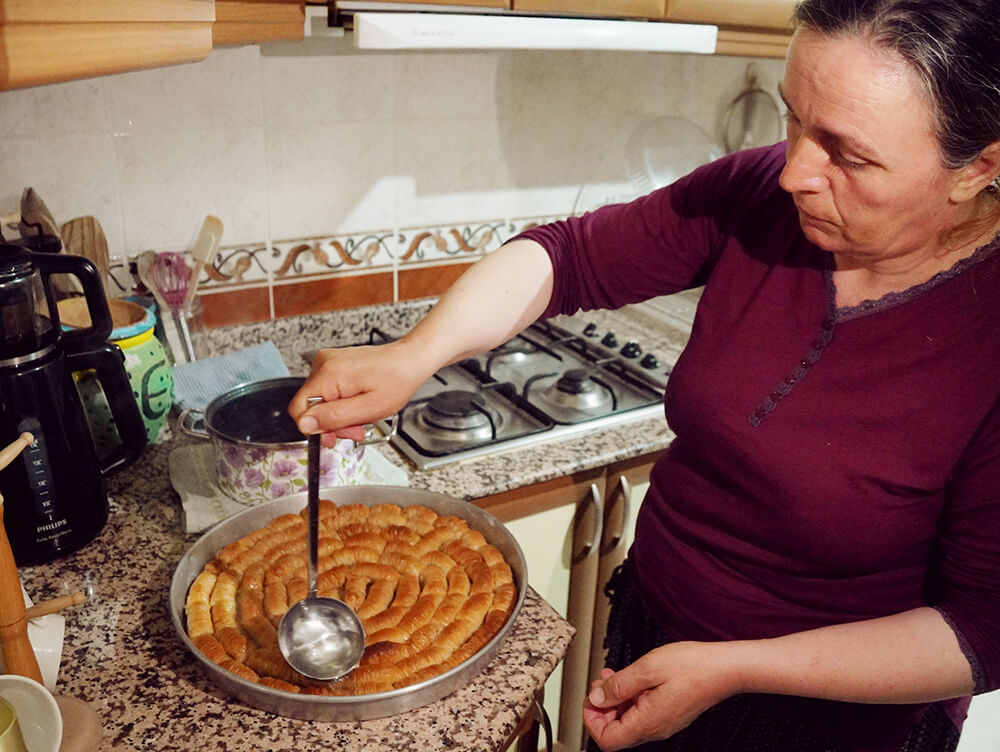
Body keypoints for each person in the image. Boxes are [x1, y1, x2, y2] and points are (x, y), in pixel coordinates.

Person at [289, 0, 1000, 749]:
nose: (795, 171)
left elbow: (981, 634)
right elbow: (568, 259)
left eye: (849, 156)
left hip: (830, 723)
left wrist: (734, 669)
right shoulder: (758, 195)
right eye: (793, 119)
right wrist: (415, 354)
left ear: (978, 167)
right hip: (653, 641)